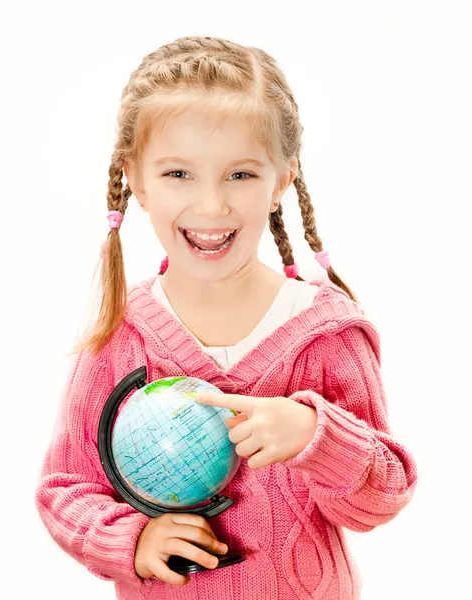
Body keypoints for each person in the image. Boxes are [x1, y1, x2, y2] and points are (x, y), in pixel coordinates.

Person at [34, 35, 418, 600]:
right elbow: (66, 487)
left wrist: (317, 434)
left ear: (282, 178)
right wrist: (133, 540)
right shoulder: (123, 333)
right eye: (177, 174)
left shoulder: (327, 335)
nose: (211, 206)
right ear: (136, 179)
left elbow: (382, 497)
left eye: (239, 175)